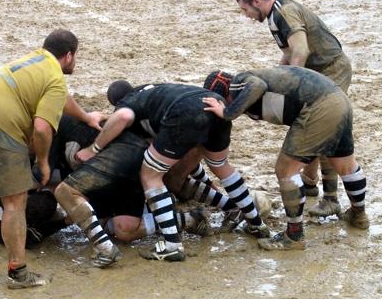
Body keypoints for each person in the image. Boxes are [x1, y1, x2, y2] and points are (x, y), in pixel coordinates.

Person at [0, 29, 99, 290]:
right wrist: (43, 162)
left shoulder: (32, 61)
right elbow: (43, 128)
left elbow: (61, 98)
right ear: (68, 56)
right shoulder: (56, 78)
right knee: (15, 204)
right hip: (0, 132)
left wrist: (85, 116)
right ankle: (18, 272)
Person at [77, 81, 269, 262]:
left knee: (150, 174)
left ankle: (172, 246)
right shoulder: (148, 94)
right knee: (220, 166)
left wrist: (93, 149)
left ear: (116, 103)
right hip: (211, 103)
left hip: (185, 113)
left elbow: (123, 117)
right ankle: (256, 224)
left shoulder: (127, 107)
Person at [202, 67, 369, 251]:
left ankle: (294, 236)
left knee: (286, 170)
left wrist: (227, 113)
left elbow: (258, 85)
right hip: (338, 100)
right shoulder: (246, 83)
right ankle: (358, 215)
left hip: (318, 106)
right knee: (345, 165)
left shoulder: (238, 82)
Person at [236, 0, 354, 217]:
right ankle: (310, 184)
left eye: (245, 9)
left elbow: (301, 51)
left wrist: (293, 87)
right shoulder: (273, 15)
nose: (246, 15)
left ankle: (331, 198)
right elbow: (288, 53)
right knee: (309, 126)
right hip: (318, 72)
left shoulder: (283, 12)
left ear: (256, 2)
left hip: (331, 70)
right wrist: (274, 76)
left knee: (324, 130)